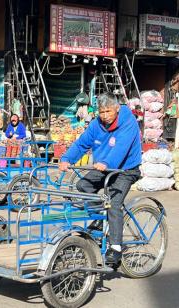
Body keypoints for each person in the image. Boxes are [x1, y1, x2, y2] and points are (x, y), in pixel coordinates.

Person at [59, 93, 142, 266]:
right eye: (101, 112)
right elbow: (83, 143)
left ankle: (116, 248)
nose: (104, 116)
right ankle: (102, 216)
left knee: (113, 202)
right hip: (104, 167)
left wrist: (106, 162)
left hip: (126, 169)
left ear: (117, 109)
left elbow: (121, 147)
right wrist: (67, 158)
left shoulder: (128, 122)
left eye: (108, 111)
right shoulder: (97, 124)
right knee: (83, 185)